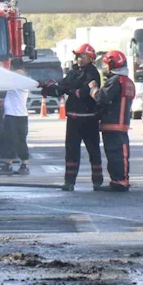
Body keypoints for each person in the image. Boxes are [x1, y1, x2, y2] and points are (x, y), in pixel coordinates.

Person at [40, 43, 102, 191]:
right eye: (77, 56)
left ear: (90, 58)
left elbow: (83, 92)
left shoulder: (92, 73)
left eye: (82, 56)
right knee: (71, 152)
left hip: (89, 119)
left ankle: (97, 182)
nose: (79, 59)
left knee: (93, 151)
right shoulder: (73, 72)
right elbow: (61, 88)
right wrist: (46, 88)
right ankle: (69, 182)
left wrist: (69, 90)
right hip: (73, 119)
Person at [89, 50, 135, 192]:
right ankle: (117, 180)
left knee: (116, 154)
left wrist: (93, 88)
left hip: (113, 123)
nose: (105, 69)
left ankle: (120, 181)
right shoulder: (128, 81)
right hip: (120, 124)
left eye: (107, 65)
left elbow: (102, 97)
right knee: (117, 153)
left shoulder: (116, 80)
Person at [0, 58, 30, 175]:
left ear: (12, 67)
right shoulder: (21, 79)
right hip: (20, 114)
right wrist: (3, 100)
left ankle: (20, 165)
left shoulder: (16, 77)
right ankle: (13, 164)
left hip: (13, 115)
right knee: (18, 140)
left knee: (12, 140)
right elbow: (14, 95)